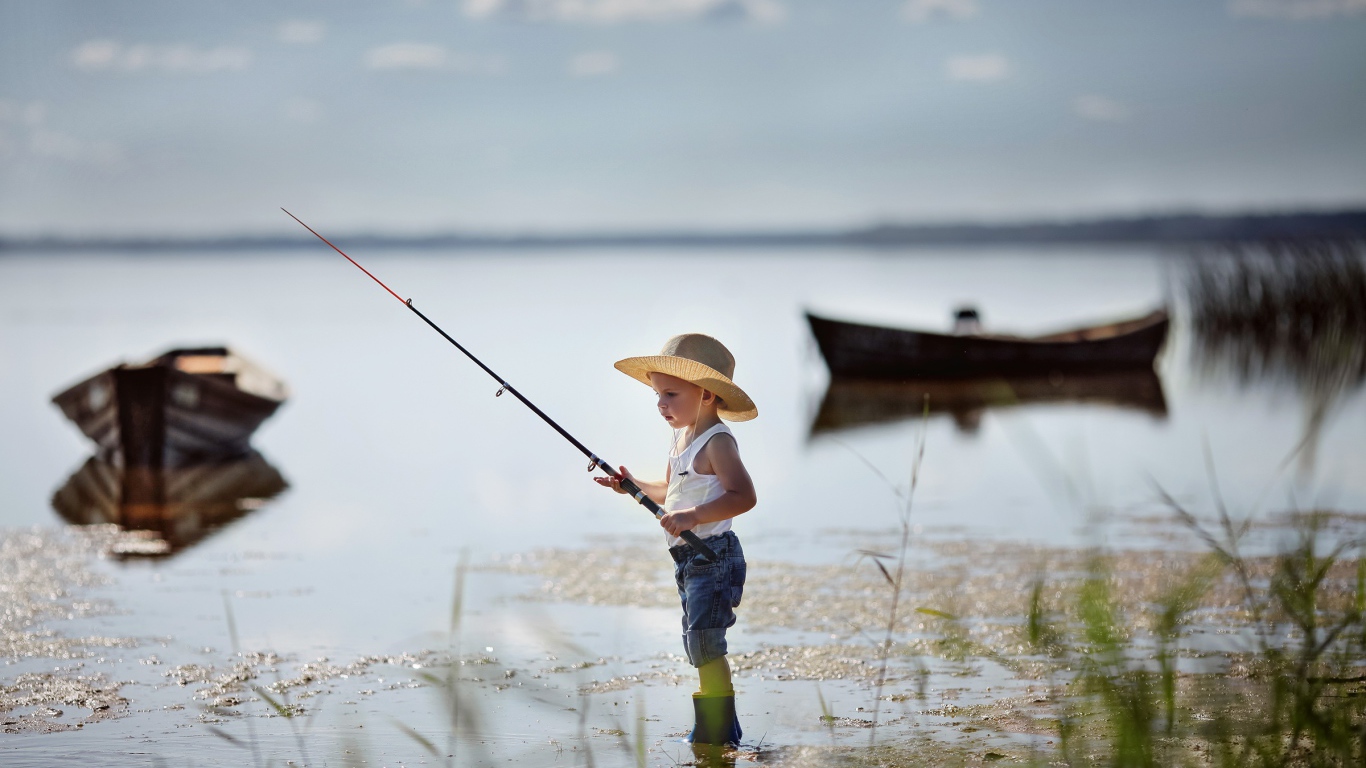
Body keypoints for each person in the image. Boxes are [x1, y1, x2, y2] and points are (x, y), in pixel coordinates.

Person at [596, 333, 757, 746]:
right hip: (688, 559)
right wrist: (631, 486)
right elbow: (668, 493)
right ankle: (723, 728)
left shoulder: (717, 442)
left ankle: (717, 731)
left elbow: (743, 496)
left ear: (705, 394)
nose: (660, 405)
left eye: (670, 394)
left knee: (706, 642)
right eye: (657, 395)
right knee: (695, 639)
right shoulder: (682, 440)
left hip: (713, 554)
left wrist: (693, 516)